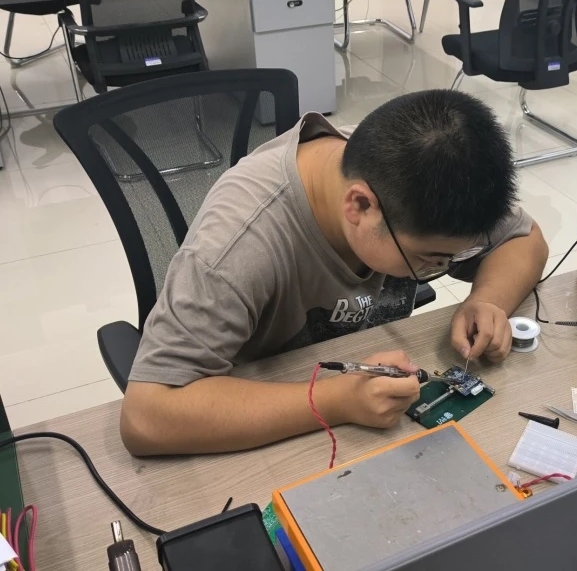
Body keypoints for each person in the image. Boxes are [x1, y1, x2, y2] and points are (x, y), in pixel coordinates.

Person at [120, 90, 548, 456]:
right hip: (261, 417)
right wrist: (336, 401)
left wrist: (486, 299)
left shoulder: (424, 177)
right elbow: (146, 414)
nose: (440, 268)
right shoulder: (241, 244)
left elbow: (526, 239)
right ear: (359, 206)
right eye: (430, 259)